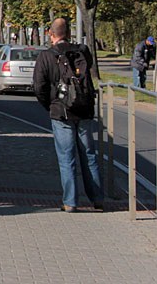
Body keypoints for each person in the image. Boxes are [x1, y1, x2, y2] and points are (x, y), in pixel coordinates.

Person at [32, 17, 103, 213]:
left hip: (61, 112)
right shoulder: (83, 51)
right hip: (84, 110)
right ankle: (97, 199)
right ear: (69, 34)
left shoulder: (46, 56)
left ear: (50, 34)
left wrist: (50, 104)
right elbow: (88, 70)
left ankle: (70, 202)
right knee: (89, 156)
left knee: (67, 157)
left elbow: (39, 86)